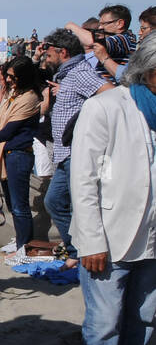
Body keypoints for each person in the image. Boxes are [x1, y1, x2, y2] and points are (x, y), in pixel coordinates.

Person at [70, 32, 156, 345]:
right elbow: (83, 179)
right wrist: (90, 240)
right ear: (150, 74)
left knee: (143, 321)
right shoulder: (106, 108)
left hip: (152, 242)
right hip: (109, 239)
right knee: (105, 323)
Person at [41, 28, 113, 269]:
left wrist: (84, 116)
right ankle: (77, 250)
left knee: (77, 205)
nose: (45, 57)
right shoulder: (68, 75)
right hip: (65, 155)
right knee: (54, 202)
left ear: (62, 52)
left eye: (48, 53)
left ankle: (83, 252)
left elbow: (110, 95)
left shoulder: (80, 72)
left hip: (77, 154)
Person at [0, 56, 43, 259]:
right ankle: (20, 242)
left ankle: (25, 248)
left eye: (12, 77)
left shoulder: (29, 98)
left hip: (19, 155)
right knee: (11, 205)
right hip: (9, 154)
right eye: (7, 75)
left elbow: (11, 128)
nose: (8, 80)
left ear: (23, 77)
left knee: (19, 206)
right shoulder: (14, 94)